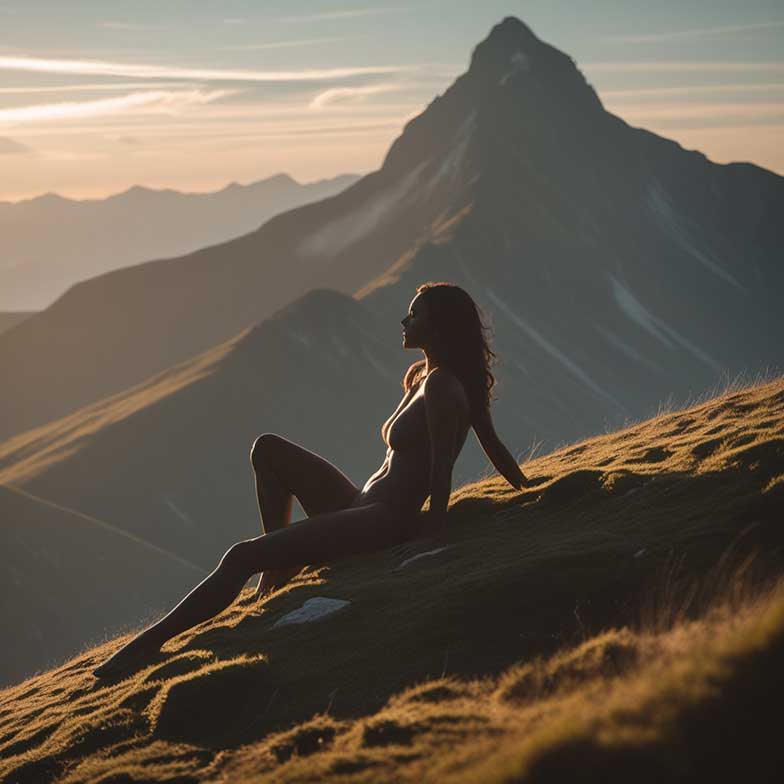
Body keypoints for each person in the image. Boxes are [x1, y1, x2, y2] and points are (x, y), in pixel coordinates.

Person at [93, 281, 527, 678]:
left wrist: (437, 528)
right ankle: (278, 574)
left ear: (438, 325)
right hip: (361, 504)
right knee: (268, 449)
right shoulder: (421, 377)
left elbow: (444, 468)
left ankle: (148, 644)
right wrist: (524, 485)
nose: (404, 320)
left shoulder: (443, 388)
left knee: (241, 556)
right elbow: (489, 445)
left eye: (414, 314)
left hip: (383, 521)